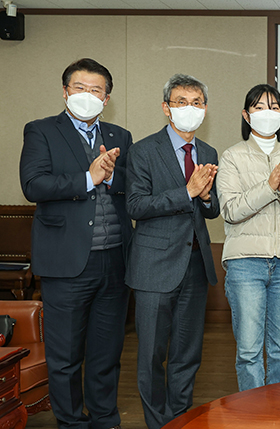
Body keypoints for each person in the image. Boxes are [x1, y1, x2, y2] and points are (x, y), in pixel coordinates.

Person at [19, 58, 131, 429]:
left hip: (113, 261)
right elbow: (34, 185)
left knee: (106, 353)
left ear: (107, 97)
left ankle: (105, 419)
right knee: (65, 356)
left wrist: (111, 178)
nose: (88, 95)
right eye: (80, 88)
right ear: (65, 91)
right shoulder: (41, 131)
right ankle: (70, 423)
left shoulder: (119, 136)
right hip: (66, 262)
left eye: (96, 90)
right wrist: (87, 177)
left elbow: (128, 188)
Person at [126, 73, 220, 428]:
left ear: (205, 110)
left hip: (195, 264)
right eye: (181, 102)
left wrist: (207, 197)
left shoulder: (208, 152)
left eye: (196, 103)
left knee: (187, 354)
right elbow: (135, 205)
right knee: (152, 355)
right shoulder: (144, 150)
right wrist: (188, 193)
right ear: (167, 108)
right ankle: (157, 423)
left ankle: (181, 420)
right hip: (153, 267)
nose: (189, 109)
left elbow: (211, 209)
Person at [217, 84, 280, 390]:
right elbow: (230, 210)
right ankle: (252, 415)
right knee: (248, 352)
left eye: (274, 107)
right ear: (246, 115)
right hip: (245, 263)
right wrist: (269, 187)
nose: (267, 113)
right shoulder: (232, 156)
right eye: (258, 107)